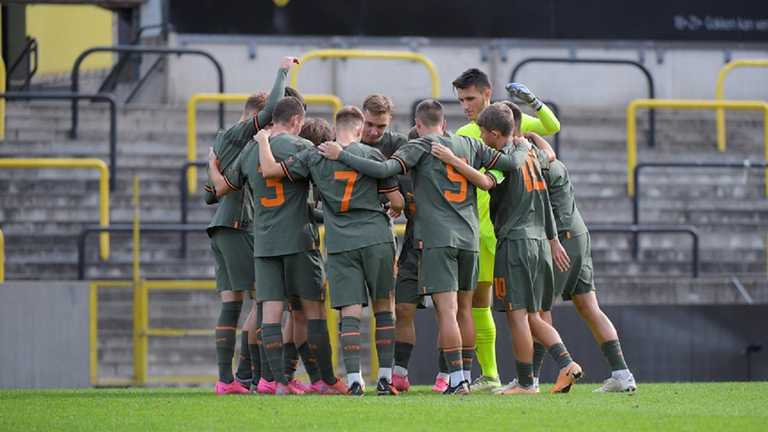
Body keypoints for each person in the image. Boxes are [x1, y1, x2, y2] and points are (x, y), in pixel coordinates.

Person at [318, 100, 523, 395]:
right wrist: (522, 145)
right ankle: (461, 374)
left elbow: (385, 167)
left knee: (448, 311)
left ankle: (456, 380)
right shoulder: (470, 144)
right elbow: (509, 164)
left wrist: (343, 154)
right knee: (465, 309)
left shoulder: (421, 146)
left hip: (439, 239)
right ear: (444, 121)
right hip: (469, 238)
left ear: (417, 123)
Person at [431, 103, 581, 395]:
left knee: (517, 315)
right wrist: (552, 240)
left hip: (516, 244)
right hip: (539, 242)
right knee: (534, 316)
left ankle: (527, 383)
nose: (483, 140)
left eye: (484, 134)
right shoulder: (533, 156)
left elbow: (486, 182)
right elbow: (545, 203)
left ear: (496, 134)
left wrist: (454, 161)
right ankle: (565, 364)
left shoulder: (503, 161)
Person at [256, 105, 404, 396]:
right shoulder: (372, 154)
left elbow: (271, 170)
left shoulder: (314, 155)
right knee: (384, 306)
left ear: (336, 128)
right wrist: (391, 208)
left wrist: (263, 141)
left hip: (340, 243)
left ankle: (353, 380)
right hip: (376, 238)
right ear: (360, 129)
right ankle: (385, 378)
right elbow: (397, 200)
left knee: (349, 312)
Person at [208, 96, 346, 396]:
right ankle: (324, 379)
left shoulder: (248, 152)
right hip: (299, 240)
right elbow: (330, 190)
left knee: (270, 312)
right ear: (297, 121)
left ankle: (277, 383)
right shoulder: (303, 148)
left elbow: (219, 189)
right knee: (313, 312)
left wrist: (211, 164)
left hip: (264, 243)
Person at [452, 68, 561, 391]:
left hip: (508, 231)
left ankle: (535, 375)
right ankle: (491, 374)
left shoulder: (507, 121)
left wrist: (533, 102)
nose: (466, 105)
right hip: (480, 228)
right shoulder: (464, 131)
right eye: (461, 100)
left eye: (470, 98)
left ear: (488, 94)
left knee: (527, 310)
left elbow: (552, 126)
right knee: (480, 304)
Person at [203, 57, 294, 395]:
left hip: (221, 226)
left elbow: (210, 194)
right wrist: (283, 70)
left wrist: (215, 173)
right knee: (267, 300)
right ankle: (257, 375)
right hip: (240, 226)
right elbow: (271, 109)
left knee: (232, 304)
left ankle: (228, 380)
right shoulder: (244, 134)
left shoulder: (220, 142)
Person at [358, 94, 419, 392]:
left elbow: (407, 183)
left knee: (386, 303)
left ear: (389, 122)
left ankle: (388, 373)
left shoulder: (397, 144)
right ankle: (339, 378)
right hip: (346, 236)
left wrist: (399, 202)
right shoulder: (343, 141)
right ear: (360, 117)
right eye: (369, 124)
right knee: (344, 310)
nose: (373, 132)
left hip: (381, 236)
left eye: (379, 126)